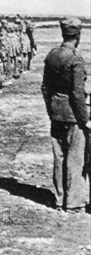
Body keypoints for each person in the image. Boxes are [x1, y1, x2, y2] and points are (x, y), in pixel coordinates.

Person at [41, 17, 90, 213]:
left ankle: (60, 198)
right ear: (78, 35)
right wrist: (84, 119)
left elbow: (45, 87)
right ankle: (73, 202)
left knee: (59, 156)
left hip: (56, 112)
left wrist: (51, 109)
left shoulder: (52, 55)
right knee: (75, 158)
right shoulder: (75, 59)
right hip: (72, 115)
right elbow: (77, 93)